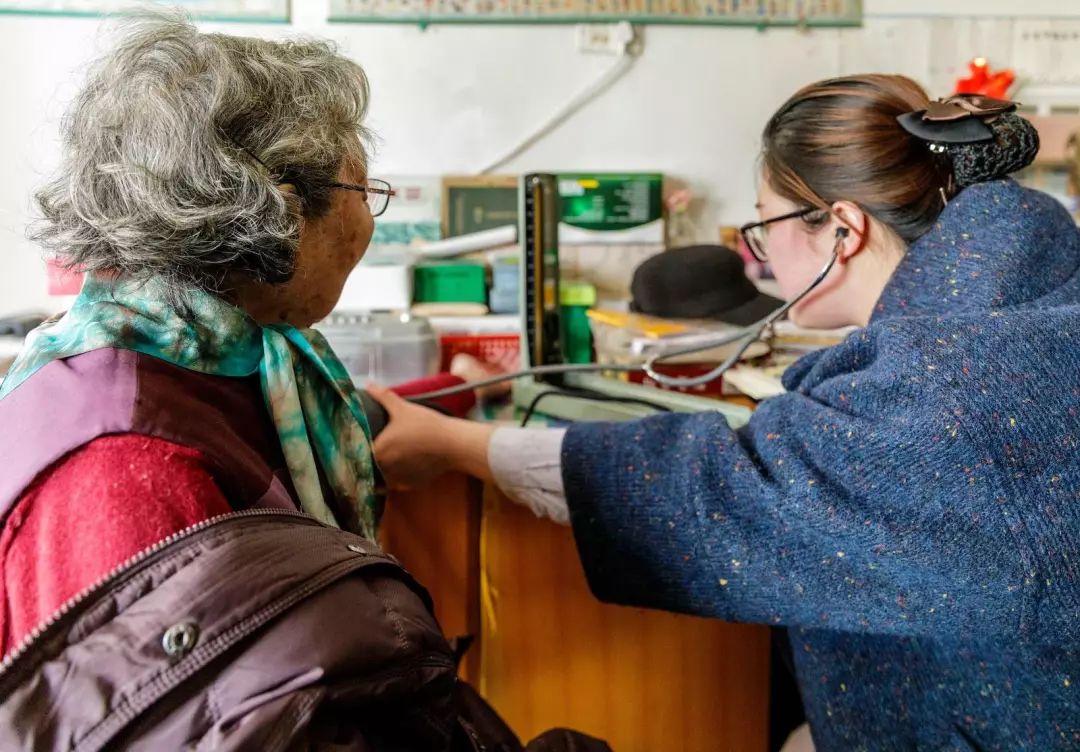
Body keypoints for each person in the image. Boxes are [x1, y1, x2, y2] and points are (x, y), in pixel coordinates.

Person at [371, 75, 1080, 751]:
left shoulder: (944, 381)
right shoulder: (1022, 307)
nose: (759, 255)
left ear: (843, 230)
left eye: (762, 225)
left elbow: (723, 490)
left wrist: (455, 444)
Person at [0, 15, 605, 751]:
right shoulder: (126, 472)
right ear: (280, 207)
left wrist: (463, 389)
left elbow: (328, 429)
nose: (367, 218)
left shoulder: (224, 350)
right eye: (364, 189)